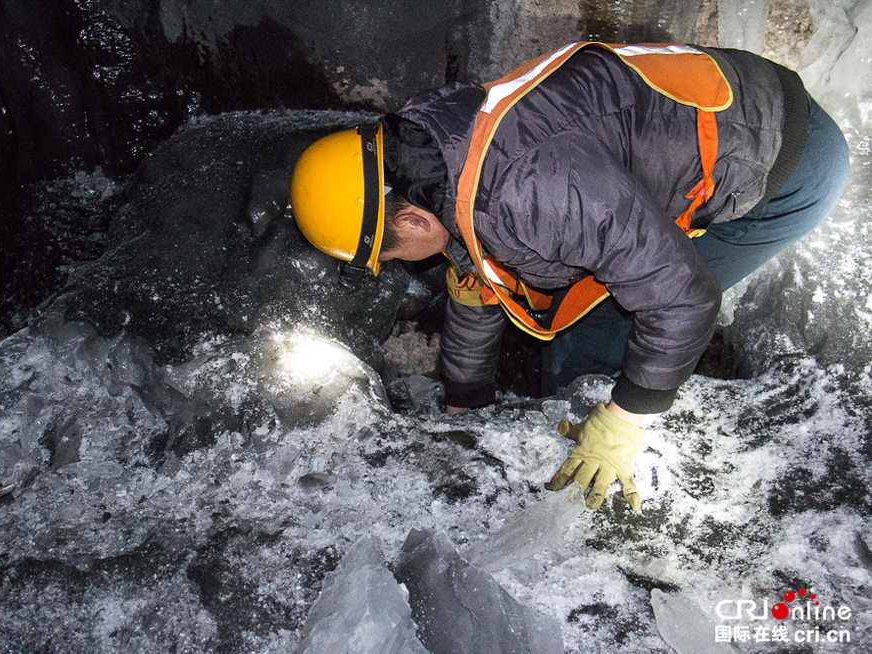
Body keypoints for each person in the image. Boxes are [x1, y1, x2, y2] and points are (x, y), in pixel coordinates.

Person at [290, 42, 849, 511]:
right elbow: (476, 275)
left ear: (411, 217)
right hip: (714, 107)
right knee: (582, 298)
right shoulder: (437, 154)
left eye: (390, 254)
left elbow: (682, 298)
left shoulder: (528, 190)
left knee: (599, 329)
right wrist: (465, 401)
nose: (399, 264)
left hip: (782, 158)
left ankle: (599, 471)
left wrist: (626, 418)